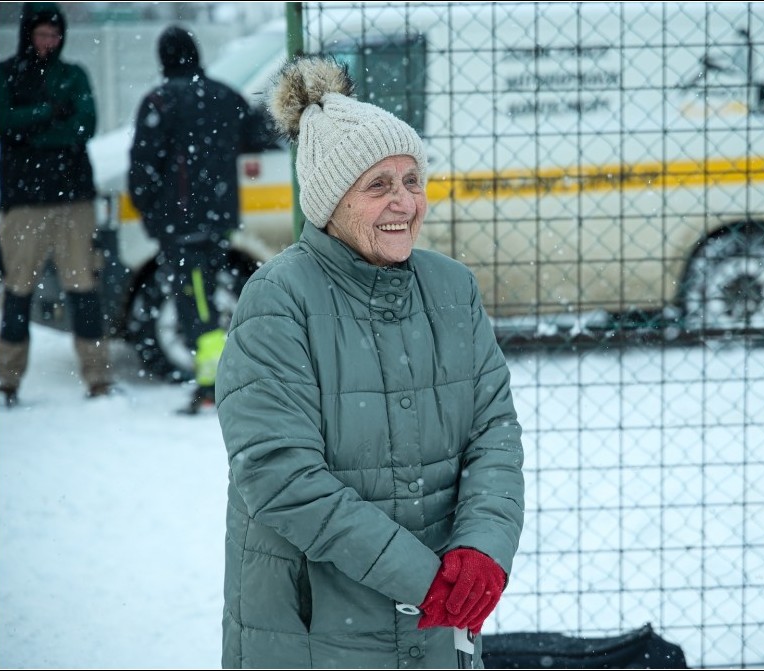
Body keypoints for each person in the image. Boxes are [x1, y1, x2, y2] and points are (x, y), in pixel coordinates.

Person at [215, 56, 526, 668]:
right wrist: (423, 579)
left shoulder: (452, 288)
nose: (404, 202)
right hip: (312, 630)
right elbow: (280, 476)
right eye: (378, 184)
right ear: (331, 201)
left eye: (413, 180)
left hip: (440, 626)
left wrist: (483, 551)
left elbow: (495, 434)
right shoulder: (279, 299)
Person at [128, 25, 275, 414]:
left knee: (197, 305)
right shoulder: (226, 96)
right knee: (212, 298)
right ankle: (222, 377)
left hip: (181, 225)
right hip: (218, 221)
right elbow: (261, 135)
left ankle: (212, 386)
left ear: (164, 58)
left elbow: (142, 168)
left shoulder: (160, 102)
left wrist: (151, 214)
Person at [0, 2, 112, 406]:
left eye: (55, 35)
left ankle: (98, 377)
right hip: (23, 202)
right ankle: (7, 380)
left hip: (73, 199)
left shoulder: (73, 75)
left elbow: (86, 125)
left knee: (83, 289)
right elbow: (2, 122)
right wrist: (49, 114)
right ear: (28, 34)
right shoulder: (5, 75)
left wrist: (33, 129)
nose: (50, 42)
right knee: (17, 293)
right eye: (43, 34)